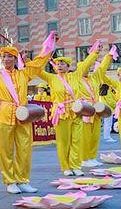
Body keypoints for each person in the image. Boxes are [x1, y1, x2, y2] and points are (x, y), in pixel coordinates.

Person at [0, 40, 51, 194]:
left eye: (9, 57)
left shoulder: (24, 74)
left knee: (24, 149)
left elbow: (39, 63)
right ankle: (10, 181)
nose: (6, 59)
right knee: (5, 150)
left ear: (15, 59)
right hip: (3, 116)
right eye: (3, 57)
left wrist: (50, 44)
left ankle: (22, 180)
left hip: (23, 115)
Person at [37, 42, 102, 176]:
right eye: (57, 64)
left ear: (68, 66)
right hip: (61, 113)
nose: (59, 66)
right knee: (63, 142)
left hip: (76, 111)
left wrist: (95, 52)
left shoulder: (75, 76)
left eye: (62, 64)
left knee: (76, 140)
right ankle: (66, 167)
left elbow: (86, 64)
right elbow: (37, 70)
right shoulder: (51, 78)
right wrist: (43, 53)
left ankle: (76, 166)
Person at [76, 45, 115, 168]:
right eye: (85, 67)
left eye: (88, 68)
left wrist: (109, 56)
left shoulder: (94, 78)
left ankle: (92, 157)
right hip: (84, 110)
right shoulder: (76, 78)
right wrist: (94, 53)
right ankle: (84, 158)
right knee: (85, 137)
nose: (87, 69)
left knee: (95, 136)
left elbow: (102, 68)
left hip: (96, 109)